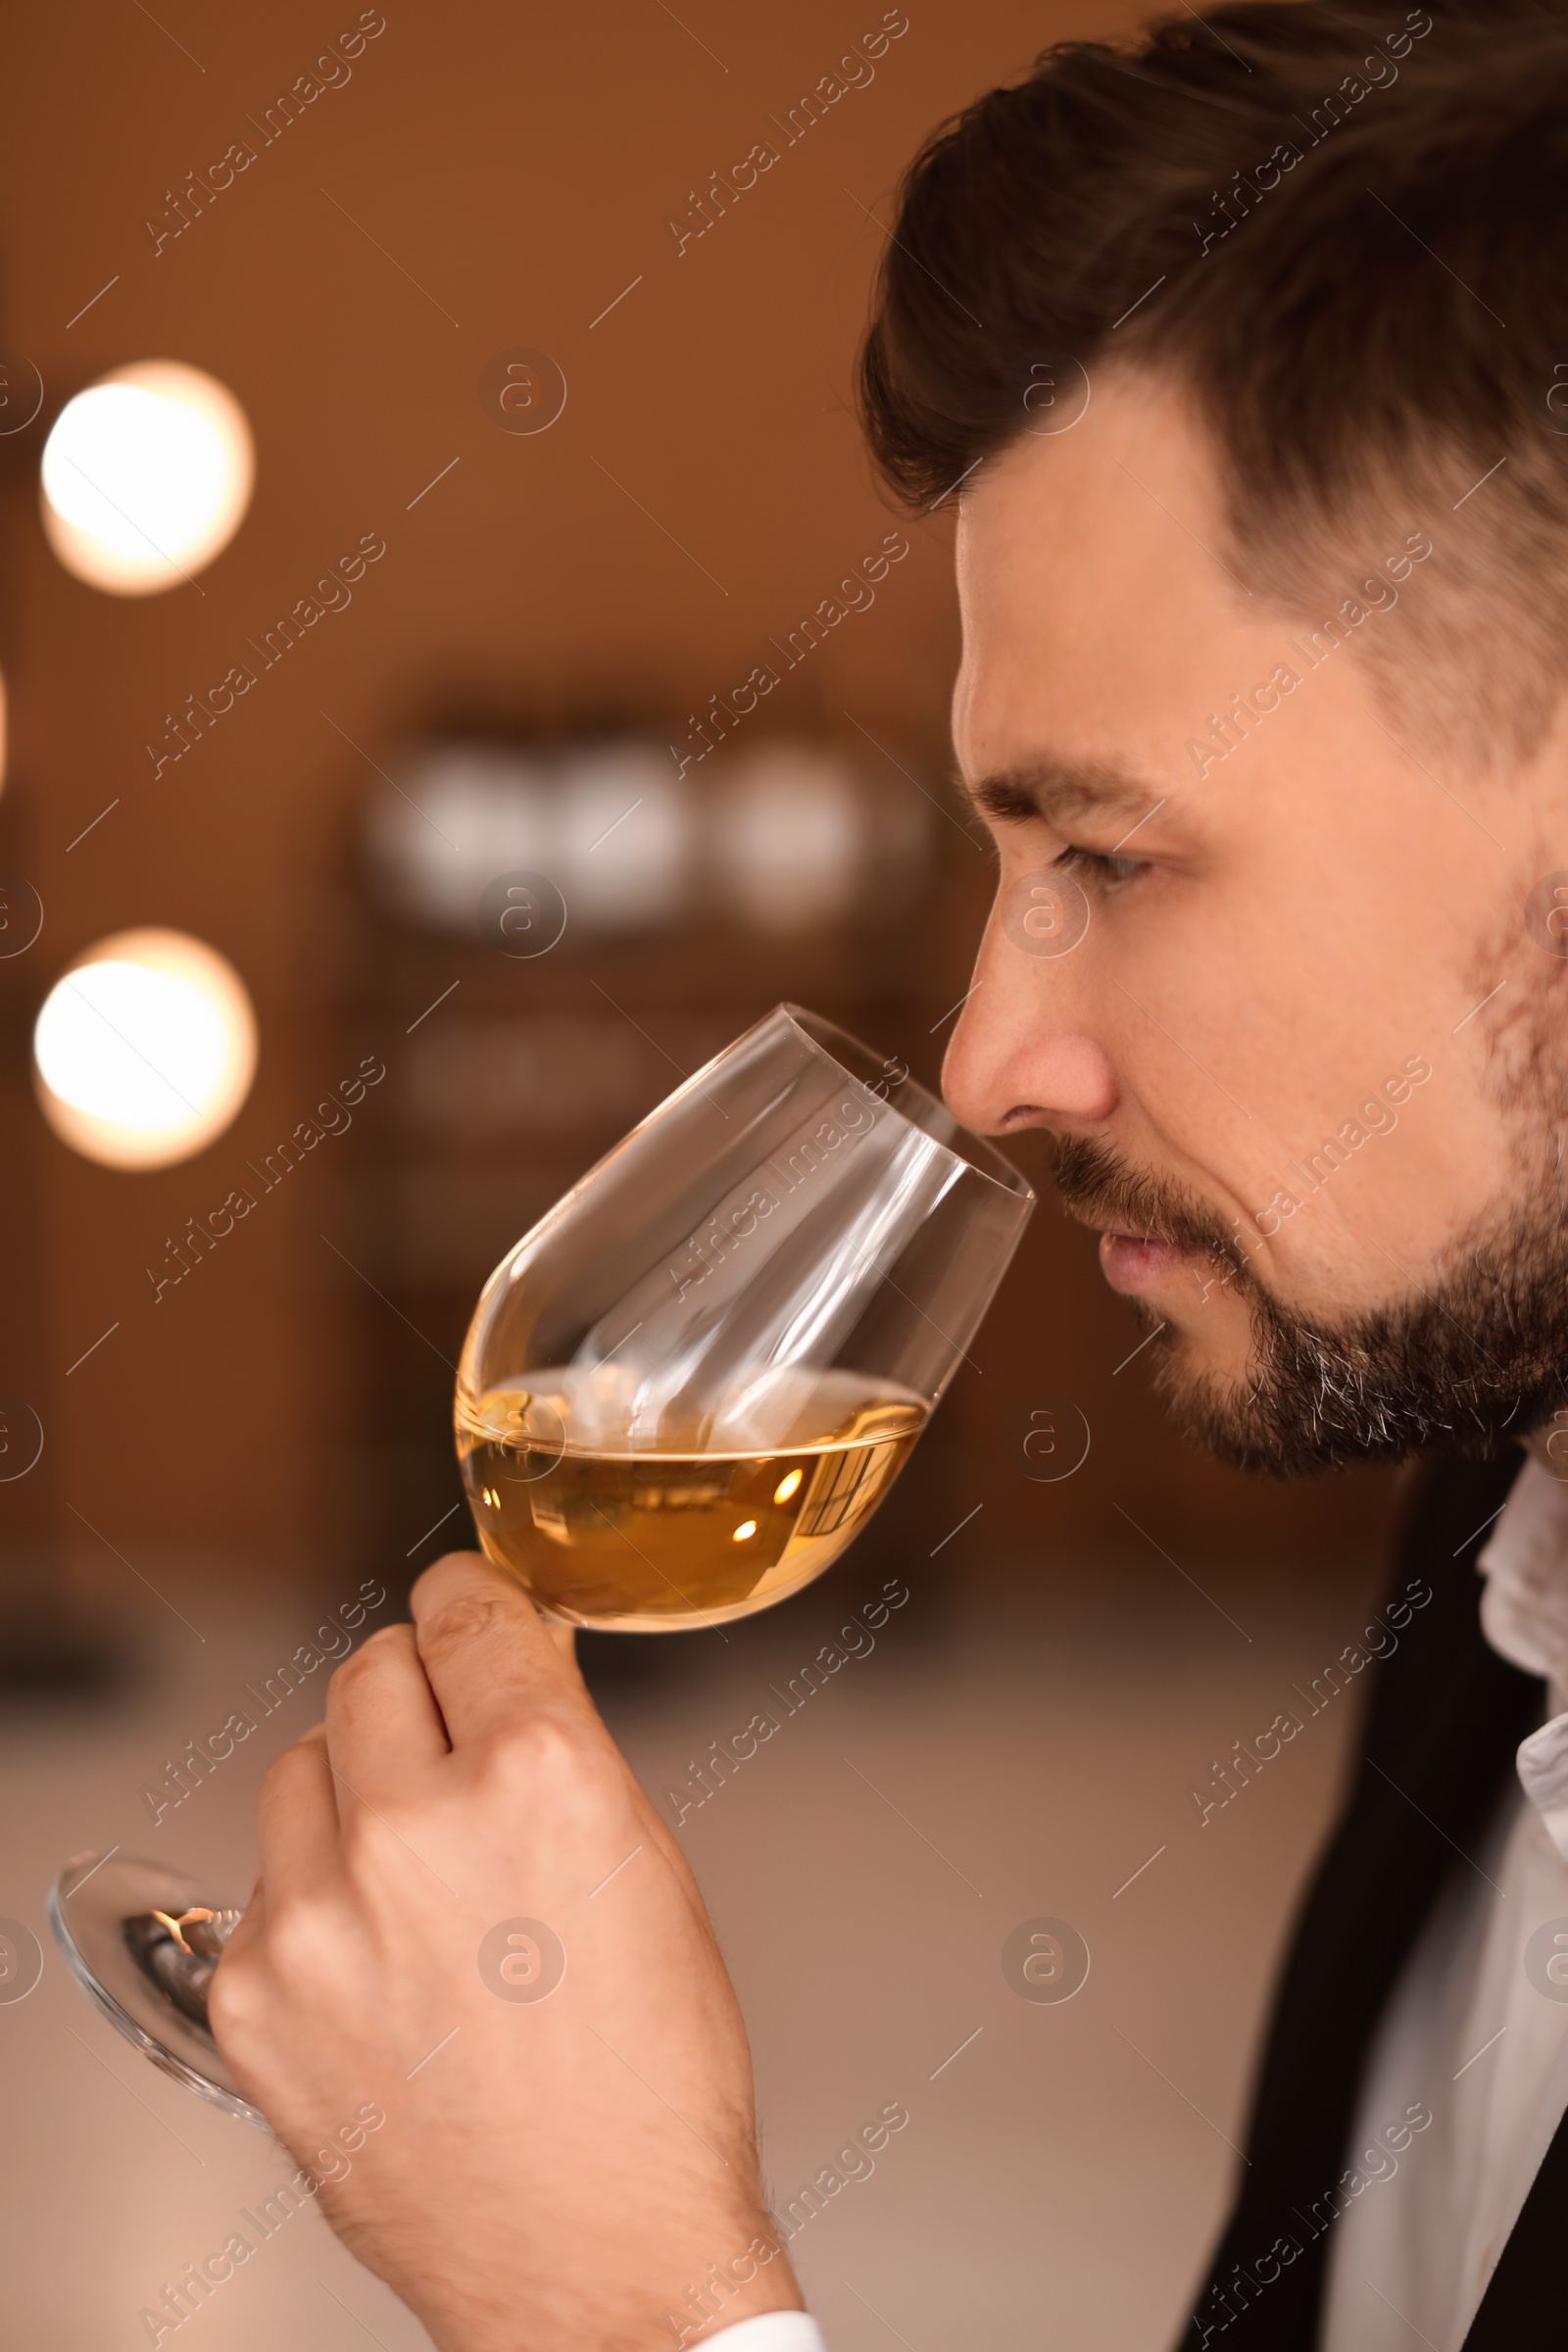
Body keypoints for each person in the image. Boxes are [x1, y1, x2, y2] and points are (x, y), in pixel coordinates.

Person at [209, 2, 1568, 2344]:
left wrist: (625, 2297)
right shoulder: (1493, 1535)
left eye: (1111, 857)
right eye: (994, 848)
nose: (985, 1061)